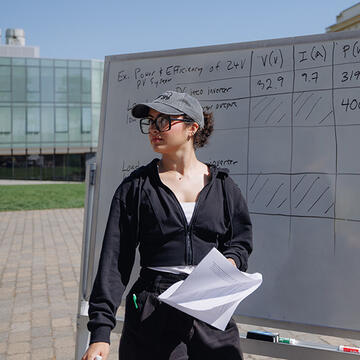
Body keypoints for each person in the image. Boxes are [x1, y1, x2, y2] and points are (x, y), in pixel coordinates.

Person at [81, 90, 253, 360]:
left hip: (210, 307)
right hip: (154, 311)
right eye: (150, 122)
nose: (153, 129)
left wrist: (231, 261)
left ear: (191, 128)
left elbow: (239, 241)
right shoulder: (136, 188)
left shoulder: (223, 186)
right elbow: (115, 261)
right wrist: (100, 333)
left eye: (163, 121)